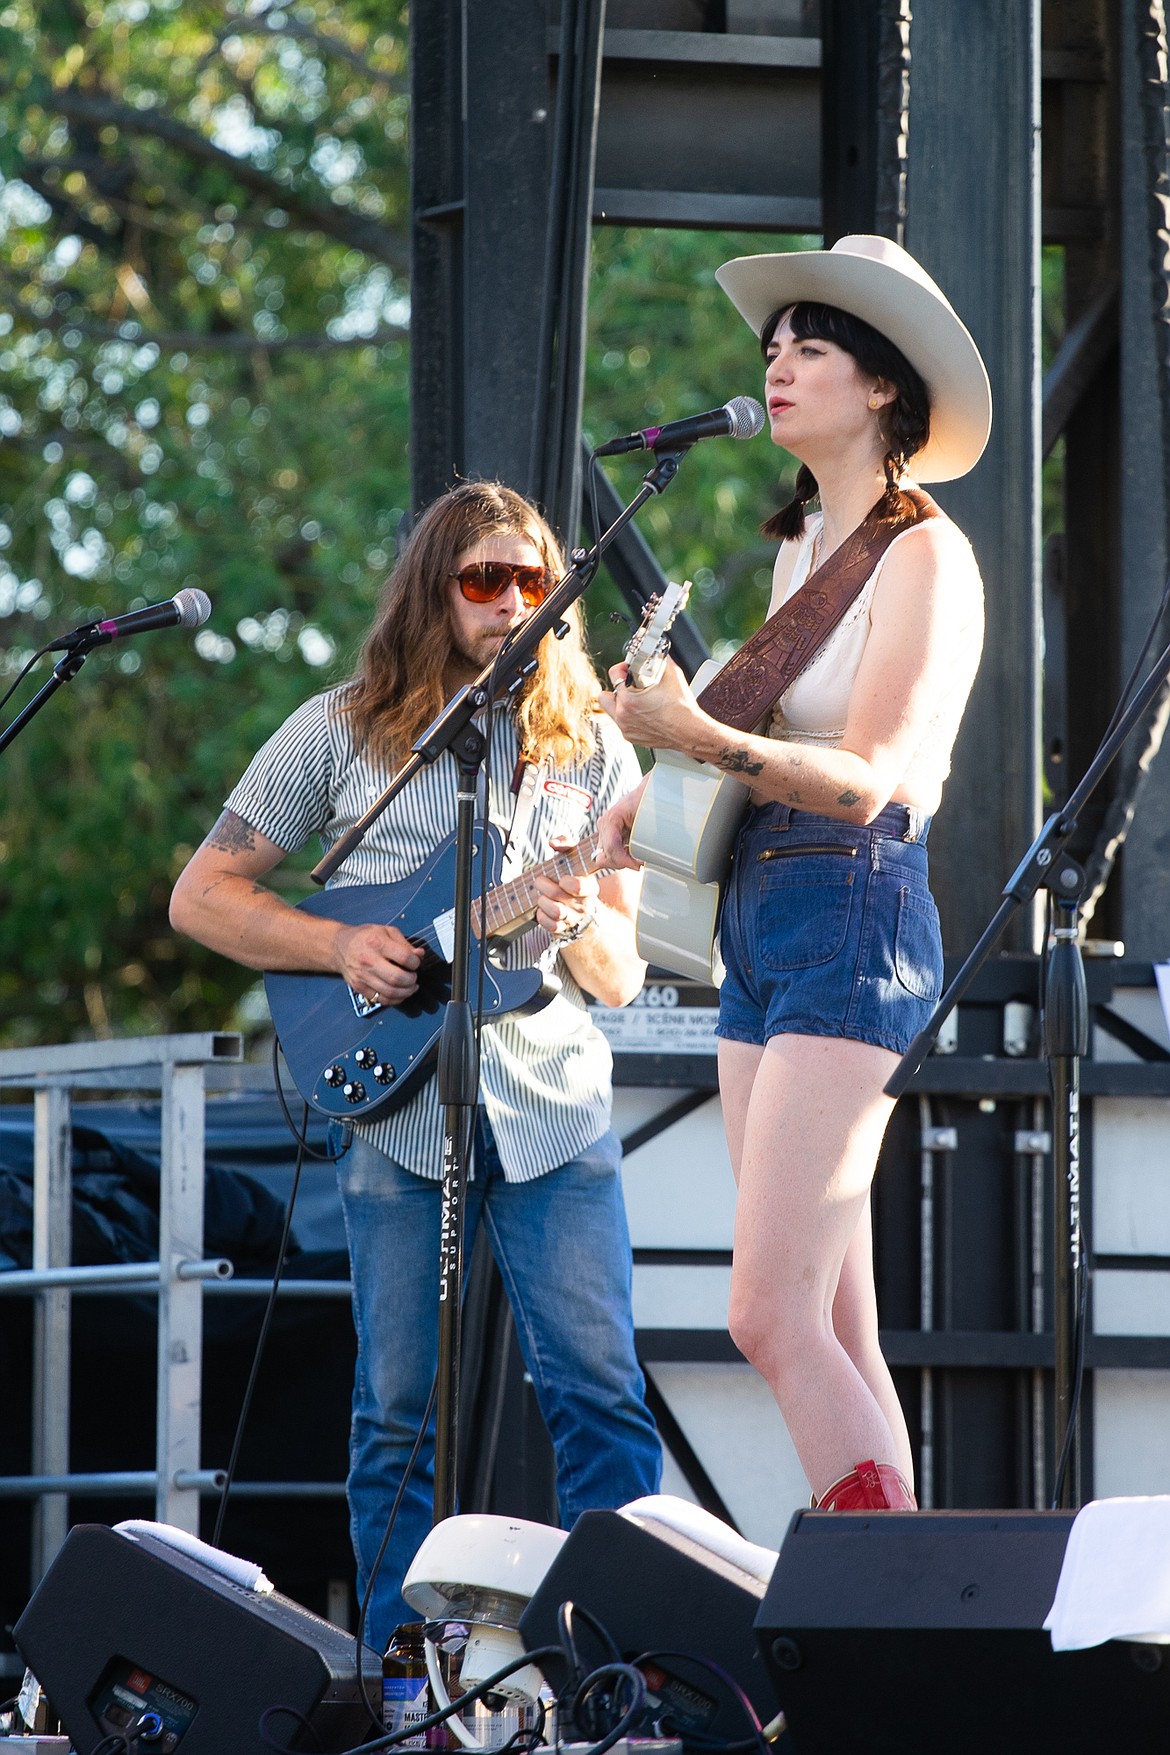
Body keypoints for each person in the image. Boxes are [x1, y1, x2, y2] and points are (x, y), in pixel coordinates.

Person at [170, 480, 661, 1646]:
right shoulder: (338, 727)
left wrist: (579, 908)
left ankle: (629, 1662)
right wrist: (341, 942)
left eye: (532, 583)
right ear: (431, 593)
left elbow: (623, 977)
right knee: (395, 1409)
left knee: (598, 1394)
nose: (510, 604)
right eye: (484, 579)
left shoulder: (592, 745)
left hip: (554, 1111)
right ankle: (403, 1669)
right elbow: (203, 898)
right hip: (395, 1112)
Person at [598, 235, 991, 1512]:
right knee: (830, 1324)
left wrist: (697, 736)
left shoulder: (923, 553)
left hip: (852, 902)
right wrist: (658, 797)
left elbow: (870, 772)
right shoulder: (807, 545)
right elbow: (772, 752)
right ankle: (904, 1634)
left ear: (881, 386)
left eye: (809, 346)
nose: (776, 364)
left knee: (766, 1314)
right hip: (763, 914)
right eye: (772, 346)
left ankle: (883, 1630)